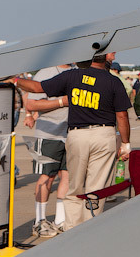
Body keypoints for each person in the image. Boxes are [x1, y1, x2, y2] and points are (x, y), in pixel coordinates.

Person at [16, 51, 131, 229]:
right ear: (105, 59)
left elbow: (38, 88)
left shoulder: (72, 75)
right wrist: (125, 143)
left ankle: (72, 228)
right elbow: (122, 116)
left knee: (74, 185)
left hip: (77, 135)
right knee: (97, 187)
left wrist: (16, 81)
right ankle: (91, 226)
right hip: (104, 134)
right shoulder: (112, 80)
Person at [26, 64, 71, 237]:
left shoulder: (75, 70)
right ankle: (39, 221)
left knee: (66, 176)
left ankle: (60, 220)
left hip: (70, 133)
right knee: (47, 177)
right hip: (48, 134)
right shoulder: (46, 72)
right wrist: (61, 102)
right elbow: (32, 103)